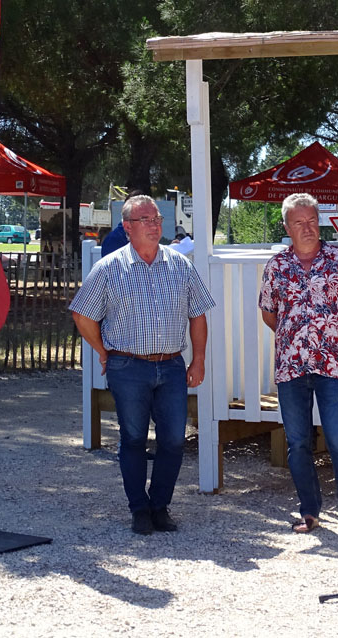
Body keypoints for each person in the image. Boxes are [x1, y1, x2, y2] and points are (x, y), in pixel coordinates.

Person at [70, 195, 215, 535]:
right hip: (128, 367)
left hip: (171, 366)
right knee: (133, 439)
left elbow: (198, 315)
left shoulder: (180, 265)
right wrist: (103, 351)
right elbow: (82, 314)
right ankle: (139, 509)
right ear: (127, 227)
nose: (154, 225)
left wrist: (199, 359)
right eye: (146, 219)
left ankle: (160, 506)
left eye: (157, 220)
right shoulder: (109, 267)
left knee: (174, 440)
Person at [258, 193, 338, 541]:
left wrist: (332, 338)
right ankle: (309, 511)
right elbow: (268, 312)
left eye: (311, 221)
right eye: (299, 222)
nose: (307, 228)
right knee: (298, 443)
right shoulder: (277, 266)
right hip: (291, 367)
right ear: (287, 226)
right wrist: (296, 339)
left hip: (332, 366)